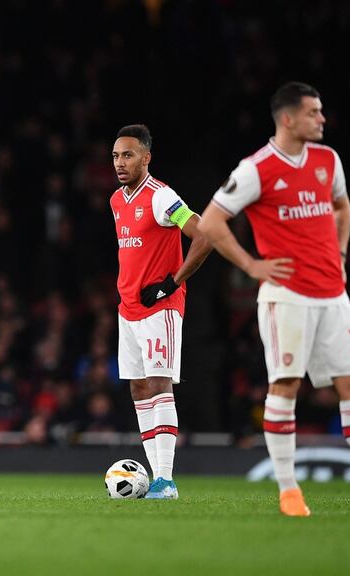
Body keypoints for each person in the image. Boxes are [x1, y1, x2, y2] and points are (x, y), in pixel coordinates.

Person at [198, 81, 350, 517]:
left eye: (320, 111)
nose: (321, 119)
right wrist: (251, 265)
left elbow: (343, 208)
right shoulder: (256, 168)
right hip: (287, 296)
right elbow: (210, 222)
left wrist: (339, 254)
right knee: (286, 385)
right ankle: (289, 492)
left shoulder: (327, 160)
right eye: (313, 112)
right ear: (288, 119)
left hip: (333, 295)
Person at [109, 125, 212, 499]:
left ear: (146, 157)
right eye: (116, 156)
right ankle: (155, 477)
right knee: (138, 387)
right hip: (128, 308)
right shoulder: (117, 200)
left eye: (128, 155)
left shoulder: (161, 196)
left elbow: (205, 234)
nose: (120, 163)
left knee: (158, 383)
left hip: (159, 307)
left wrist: (172, 282)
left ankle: (166, 480)